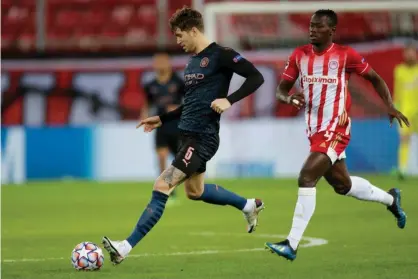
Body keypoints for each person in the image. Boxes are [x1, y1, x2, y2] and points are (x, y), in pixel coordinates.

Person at [102, 6, 265, 265]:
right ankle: (248, 205)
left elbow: (256, 77)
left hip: (202, 138)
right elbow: (191, 104)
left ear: (193, 30)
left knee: (162, 185)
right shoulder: (191, 64)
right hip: (186, 136)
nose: (178, 42)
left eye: (179, 36)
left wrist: (229, 100)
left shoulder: (222, 55)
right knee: (195, 191)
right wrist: (162, 118)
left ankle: (125, 246)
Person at [265, 9, 409, 261]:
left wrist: (389, 104)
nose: (312, 30)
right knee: (343, 185)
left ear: (331, 30)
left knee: (307, 176)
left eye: (318, 26)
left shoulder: (345, 55)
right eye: (310, 25)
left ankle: (292, 243)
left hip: (337, 128)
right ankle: (391, 200)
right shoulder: (299, 55)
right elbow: (281, 89)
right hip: (314, 130)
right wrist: (288, 98)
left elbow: (375, 78)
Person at [142, 52, 184, 199]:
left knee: (179, 161)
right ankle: (167, 188)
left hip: (177, 124)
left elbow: (189, 101)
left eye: (162, 61)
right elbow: (147, 104)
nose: (159, 64)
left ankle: (172, 182)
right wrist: (144, 117)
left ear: (169, 63)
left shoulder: (179, 82)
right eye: (156, 61)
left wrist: (177, 108)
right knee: (161, 155)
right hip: (160, 125)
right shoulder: (150, 85)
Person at [393, 42, 418, 180]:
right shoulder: (399, 70)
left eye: (412, 52)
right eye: (407, 52)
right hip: (405, 111)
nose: (409, 55)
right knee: (404, 139)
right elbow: (397, 92)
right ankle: (402, 169)